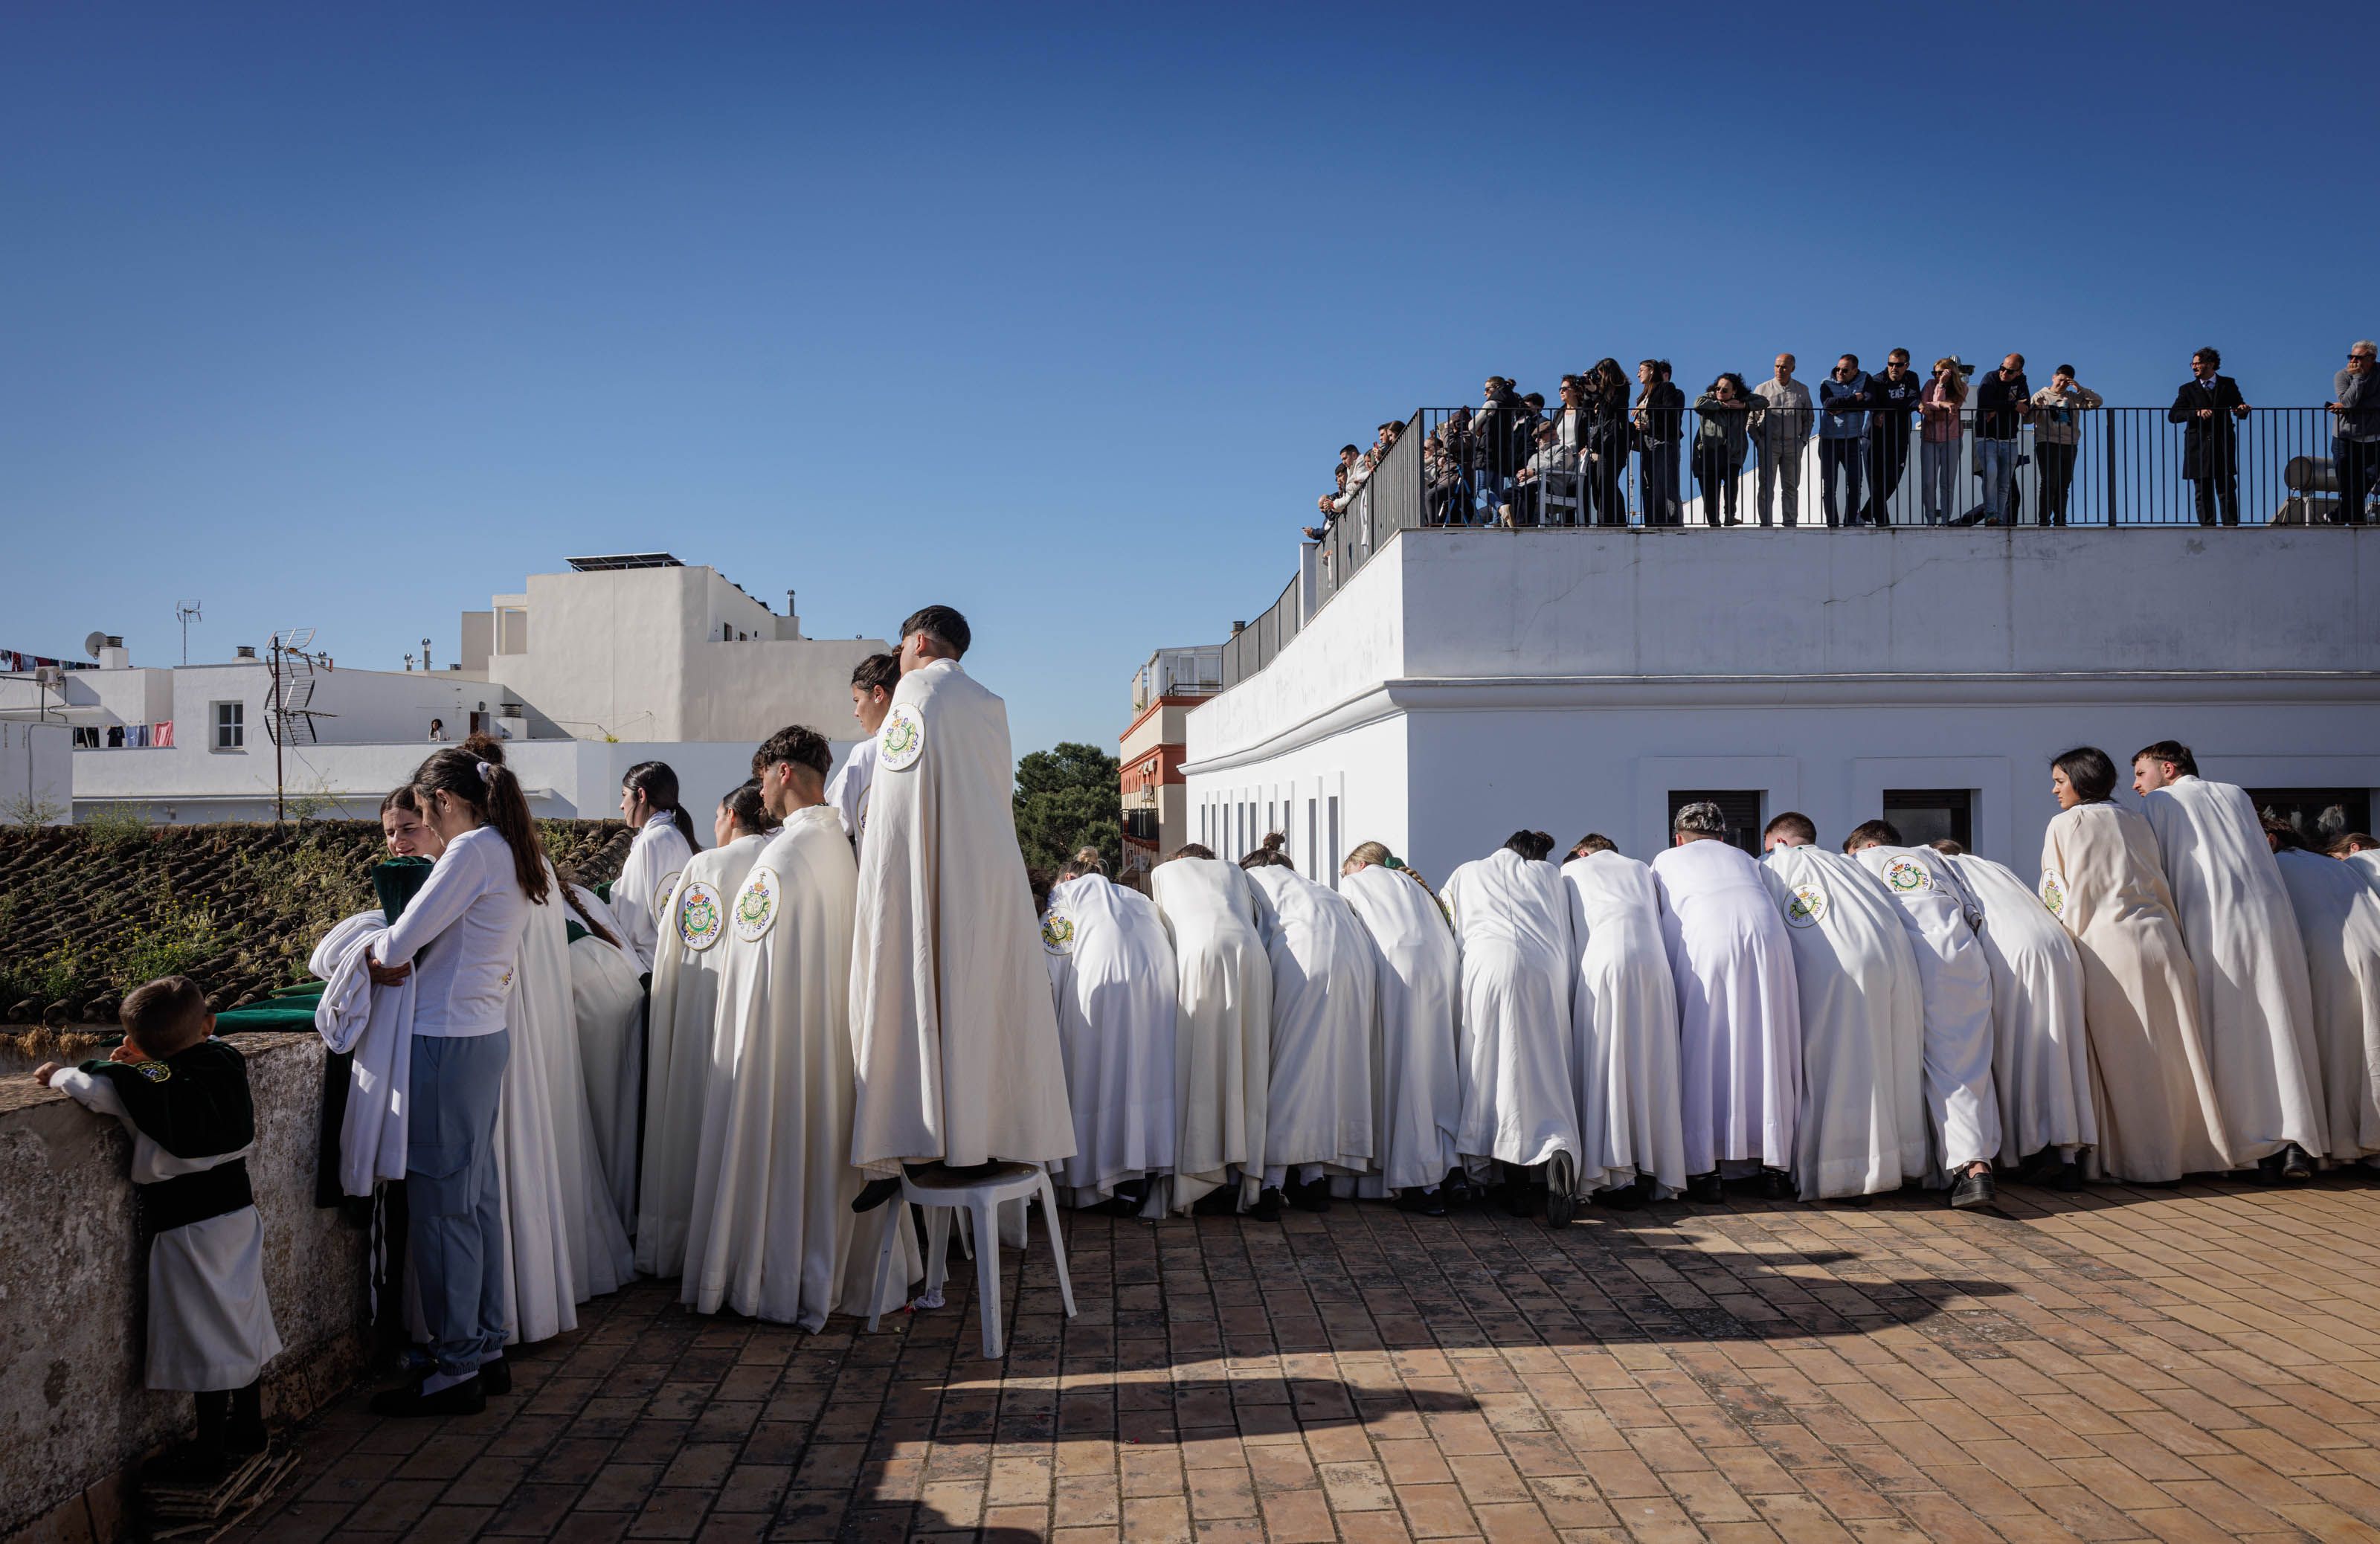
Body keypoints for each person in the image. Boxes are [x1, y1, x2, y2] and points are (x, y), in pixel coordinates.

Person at [680, 724, 918, 1327]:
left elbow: (753, 978)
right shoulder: (838, 848)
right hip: (832, 1049)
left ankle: (771, 1273)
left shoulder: (782, 857)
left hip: (782, 1056)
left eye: (762, 775)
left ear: (783, 772)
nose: (757, 790)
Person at [848, 605, 1076, 1209]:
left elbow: (896, 819)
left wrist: (885, 884)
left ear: (919, 641)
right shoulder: (991, 705)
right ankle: (990, 1132)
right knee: (986, 999)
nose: (898, 658)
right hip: (993, 874)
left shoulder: (913, 696)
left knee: (924, 980)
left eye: (901, 647)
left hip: (929, 871)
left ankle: (918, 1139)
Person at [361, 739, 551, 1415]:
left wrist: (371, 947)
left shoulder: (470, 852)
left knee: (443, 1211)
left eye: (424, 814)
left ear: (442, 802)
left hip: (444, 1043)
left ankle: (455, 1365)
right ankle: (486, 1347)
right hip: (481, 1036)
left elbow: (396, 943)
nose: (426, 829)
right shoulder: (506, 847)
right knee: (476, 1200)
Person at [36, 977, 280, 1481]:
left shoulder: (135, 1086)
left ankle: (210, 1450)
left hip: (186, 1221)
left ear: (137, 1045)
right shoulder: (224, 1061)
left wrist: (57, 1073)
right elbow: (179, 1069)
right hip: (237, 1210)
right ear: (209, 1025)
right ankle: (251, 1427)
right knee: (241, 1314)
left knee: (204, 1332)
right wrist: (148, 1062)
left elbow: (92, 1086)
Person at [2133, 739, 2326, 1180]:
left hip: (2212, 921)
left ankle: (2250, 1145)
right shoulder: (2236, 793)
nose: (2136, 785)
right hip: (2270, 917)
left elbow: (2156, 870)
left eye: (2141, 774)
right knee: (2279, 1024)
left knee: (2230, 1028)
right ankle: (2294, 1140)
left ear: (2169, 768)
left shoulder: (2161, 803)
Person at [2039, 747, 2233, 1183]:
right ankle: (2191, 1153)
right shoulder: (2135, 817)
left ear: (2081, 780)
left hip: (2107, 946)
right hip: (2162, 939)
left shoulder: (2065, 824)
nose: (2054, 790)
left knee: (2125, 1056)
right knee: (2175, 1053)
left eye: (2059, 781)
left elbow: (2055, 893)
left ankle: (2143, 1161)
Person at [635, 779, 779, 1276]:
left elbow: (677, 951)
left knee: (694, 1123)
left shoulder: (709, 866)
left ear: (732, 817)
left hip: (705, 1011)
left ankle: (687, 1242)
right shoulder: (776, 859)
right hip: (761, 1019)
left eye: (717, 817)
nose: (713, 826)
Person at [1757, 814, 1926, 1201]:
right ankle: (1897, 1162)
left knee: (1831, 1066)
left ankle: (1842, 1170)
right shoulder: (1847, 864)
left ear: (1778, 842)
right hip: (1895, 964)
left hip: (1838, 971)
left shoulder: (1775, 865)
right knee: (1887, 1064)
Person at [1648, 802, 1801, 1202]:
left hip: (1708, 942)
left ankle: (1704, 1169)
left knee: (1705, 1047)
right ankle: (1774, 1168)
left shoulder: (1666, 860)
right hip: (1769, 942)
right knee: (1766, 1045)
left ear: (1679, 837)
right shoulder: (1746, 859)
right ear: (1722, 836)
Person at [1843, 822, 1999, 1209]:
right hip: (1966, 957)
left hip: (1917, 965)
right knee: (1967, 1066)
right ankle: (1966, 1163)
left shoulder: (1859, 863)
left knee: (1910, 1066)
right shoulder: (1931, 857)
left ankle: (1969, 1168)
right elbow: (1972, 908)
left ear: (1867, 845)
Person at [1441, 832, 1584, 1223]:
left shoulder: (1467, 872)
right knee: (1542, 1070)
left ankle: (1510, 1181)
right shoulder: (1550, 878)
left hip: (1489, 967)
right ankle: (1556, 1147)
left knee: (1492, 1071)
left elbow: (1446, 924)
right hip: (1545, 971)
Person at [1943, 849, 2097, 1185]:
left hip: (2014, 952)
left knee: (2018, 1050)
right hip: (2060, 948)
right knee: (2060, 1050)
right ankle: (2068, 1151)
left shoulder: (1945, 868)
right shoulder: (1995, 866)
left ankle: (2034, 1147)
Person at [1241, 835, 1376, 1210]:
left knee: (1292, 1068)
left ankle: (1271, 1183)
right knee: (1325, 1072)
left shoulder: (1252, 881)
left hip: (1305, 960)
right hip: (1357, 966)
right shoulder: (1315, 886)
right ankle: (1313, 1178)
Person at [1040, 846, 1178, 1213]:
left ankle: (1097, 1178)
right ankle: (1141, 1167)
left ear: (1067, 877)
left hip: (1102, 982)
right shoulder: (1134, 895)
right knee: (1145, 1075)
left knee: (1095, 1074)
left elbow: (1052, 962)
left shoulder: (1062, 897)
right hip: (1160, 982)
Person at [1560, 835, 1687, 1204]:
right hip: (1654, 966)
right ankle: (1653, 1164)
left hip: (1606, 963)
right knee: (1651, 1064)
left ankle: (1615, 1173)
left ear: (1583, 852)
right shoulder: (1640, 869)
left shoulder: (1572, 870)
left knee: (1609, 1061)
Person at [1149, 843, 1273, 1215]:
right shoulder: (1234, 873)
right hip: (1252, 955)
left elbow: (1163, 935)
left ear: (1179, 859)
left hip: (1200, 955)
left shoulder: (1164, 875)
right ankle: (1248, 1181)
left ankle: (1197, 1177)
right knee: (1247, 1062)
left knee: (1201, 1059)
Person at [1339, 843, 1462, 1214]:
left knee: (1405, 1076)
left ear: (1359, 865)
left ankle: (1419, 1181)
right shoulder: (1415, 885)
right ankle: (1453, 1168)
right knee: (1437, 1072)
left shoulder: (1356, 885)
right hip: (1442, 972)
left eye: (1344, 871)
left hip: (1401, 974)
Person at [2265, 820, 2380, 1167]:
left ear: (2270, 840)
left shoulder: (2273, 867)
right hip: (2373, 946)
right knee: (2370, 1048)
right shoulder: (2331, 864)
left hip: (2331, 958)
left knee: (2336, 1051)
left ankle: (2342, 1145)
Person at [613, 761, 700, 974]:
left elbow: (666, 915)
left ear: (641, 796)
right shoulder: (662, 837)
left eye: (624, 795)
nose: (621, 805)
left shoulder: (659, 840)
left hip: (653, 965)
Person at [2169, 347, 2251, 527]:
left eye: (2198, 364)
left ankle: (2231, 525)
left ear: (2211, 364)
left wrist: (2242, 410)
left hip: (2222, 443)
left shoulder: (2227, 384)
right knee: (2202, 489)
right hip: (2197, 446)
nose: (2194, 367)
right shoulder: (2187, 389)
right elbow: (2173, 416)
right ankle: (2207, 528)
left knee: (2227, 486)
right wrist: (2196, 413)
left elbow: (2238, 407)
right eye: (2193, 364)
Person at [827, 652, 899, 848]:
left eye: (857, 700)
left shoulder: (866, 754)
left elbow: (836, 823)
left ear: (878, 694)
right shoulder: (931, 744)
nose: (856, 712)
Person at [2027, 365, 2103, 527]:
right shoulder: (2041, 395)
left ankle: (2061, 520)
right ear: (2053, 377)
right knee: (2049, 482)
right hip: (2046, 442)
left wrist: (2079, 388)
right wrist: (2037, 407)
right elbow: (2028, 420)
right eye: (2060, 380)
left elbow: (2097, 402)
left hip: (2069, 443)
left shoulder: (2073, 397)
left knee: (2064, 483)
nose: (2062, 384)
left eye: (2066, 382)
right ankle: (2044, 520)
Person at [1862, 350, 1923, 526]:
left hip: (1899, 437)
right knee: (1877, 484)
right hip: (1874, 438)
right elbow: (1872, 400)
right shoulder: (1878, 379)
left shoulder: (1911, 378)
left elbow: (1913, 399)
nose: (1894, 368)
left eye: (1899, 365)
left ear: (1907, 366)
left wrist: (1889, 407)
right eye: (1891, 364)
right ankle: (1883, 524)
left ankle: (1865, 514)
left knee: (1892, 481)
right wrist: (1889, 408)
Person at [1752, 353, 1814, 527]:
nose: (1780, 369)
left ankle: (1790, 522)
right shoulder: (1762, 389)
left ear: (1793, 368)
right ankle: (1766, 523)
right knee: (1766, 486)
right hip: (1769, 444)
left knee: (1791, 486)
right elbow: (1751, 419)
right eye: (1777, 366)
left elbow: (1809, 418)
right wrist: (1759, 441)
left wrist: (1802, 441)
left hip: (1792, 444)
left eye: (1784, 366)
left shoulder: (1802, 390)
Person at [1972, 354, 2030, 527]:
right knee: (1990, 474)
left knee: (2005, 482)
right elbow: (1984, 402)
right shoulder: (1991, 377)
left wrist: (1998, 407)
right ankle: (1991, 515)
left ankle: (1999, 518)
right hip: (1987, 437)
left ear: (2019, 372)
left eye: (2009, 371)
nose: (2003, 372)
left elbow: (2026, 404)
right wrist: (2012, 405)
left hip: (2010, 439)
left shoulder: (2021, 381)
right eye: (2002, 368)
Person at [1816, 355, 1871, 529]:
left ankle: (1850, 521)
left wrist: (1843, 406)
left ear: (1855, 371)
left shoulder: (1865, 379)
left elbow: (1870, 401)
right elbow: (1828, 404)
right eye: (1838, 368)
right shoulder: (1827, 383)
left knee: (1855, 483)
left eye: (1845, 370)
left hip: (1853, 439)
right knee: (1829, 485)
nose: (1840, 372)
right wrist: (1856, 398)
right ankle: (1832, 523)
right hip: (1829, 440)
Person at [1692, 374, 1753, 527]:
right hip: (1710, 450)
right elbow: (1697, 404)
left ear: (1734, 392)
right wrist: (1721, 404)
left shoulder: (1741, 402)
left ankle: (1729, 516)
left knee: (1732, 483)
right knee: (1711, 488)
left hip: (1733, 452)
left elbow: (1763, 402)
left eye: (1725, 390)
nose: (1720, 391)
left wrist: (1742, 405)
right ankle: (1714, 521)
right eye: (1717, 388)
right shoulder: (1710, 401)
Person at [2330, 339, 2380, 526]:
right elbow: (2349, 401)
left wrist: (2351, 406)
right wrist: (2358, 378)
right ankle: (2356, 524)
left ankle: (2337, 517)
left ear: (2372, 359)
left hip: (2374, 438)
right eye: (2351, 356)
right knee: (2349, 487)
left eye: (2358, 357)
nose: (2353, 361)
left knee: (2365, 484)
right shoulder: (2342, 376)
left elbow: (2351, 405)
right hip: (2345, 438)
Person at [1633, 360, 1685, 527]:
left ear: (1652, 371)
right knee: (1650, 485)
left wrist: (1648, 420)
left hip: (1663, 441)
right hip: (1647, 442)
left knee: (1667, 484)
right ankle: (1652, 523)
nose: (1638, 374)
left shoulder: (1667, 388)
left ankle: (1672, 524)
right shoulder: (1643, 395)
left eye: (1641, 370)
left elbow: (1670, 415)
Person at [1919, 358, 1969, 526]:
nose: (1937, 376)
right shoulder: (1929, 385)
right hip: (1929, 438)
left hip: (1951, 439)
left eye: (1941, 373)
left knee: (1948, 482)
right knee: (1928, 482)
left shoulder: (1962, 388)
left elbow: (1941, 415)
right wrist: (1941, 401)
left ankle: (1946, 520)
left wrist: (1937, 399)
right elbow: (1924, 406)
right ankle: (1931, 520)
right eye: (1935, 373)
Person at [1583, 359, 1633, 528]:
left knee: (1607, 482)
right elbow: (1587, 411)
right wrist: (1588, 391)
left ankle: (1613, 522)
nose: (1600, 377)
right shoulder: (1602, 390)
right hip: (1602, 441)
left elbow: (1609, 409)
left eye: (1602, 373)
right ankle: (1609, 521)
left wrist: (1597, 392)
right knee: (1600, 484)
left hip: (1615, 441)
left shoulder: (1622, 387)